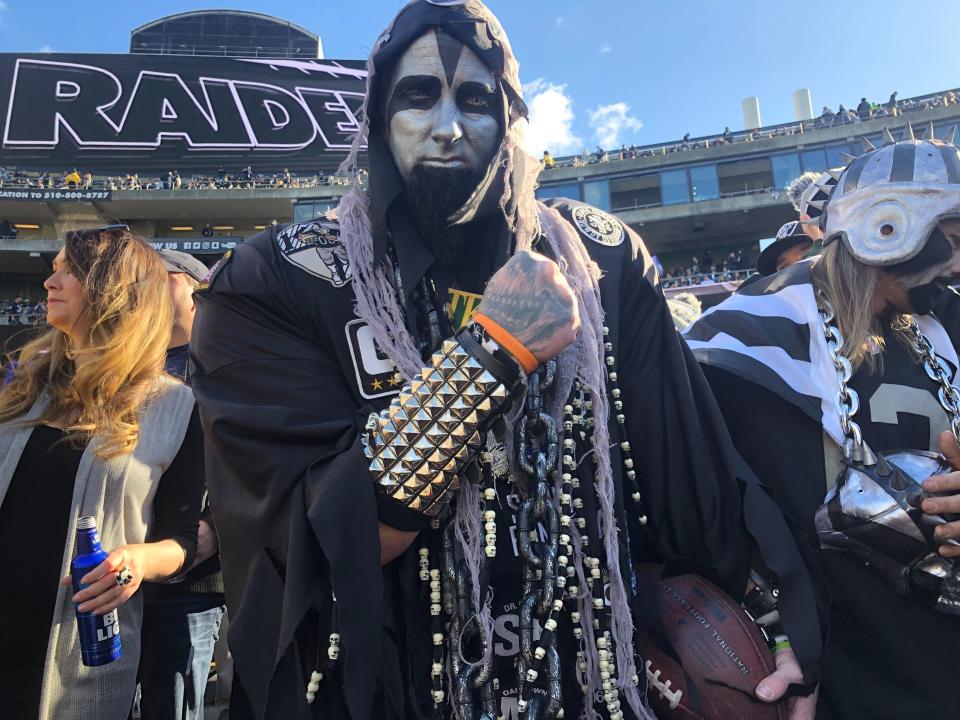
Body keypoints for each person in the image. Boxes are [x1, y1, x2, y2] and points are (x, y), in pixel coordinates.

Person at [190, 3, 822, 719]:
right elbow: (335, 544)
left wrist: (773, 634)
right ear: (375, 116)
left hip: (586, 689)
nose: (448, 126)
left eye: (477, 99)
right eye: (418, 95)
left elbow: (695, 485)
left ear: (511, 118)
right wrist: (493, 351)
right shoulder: (281, 277)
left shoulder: (601, 261)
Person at [685, 128, 960, 719]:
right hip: (843, 671)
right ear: (888, 226)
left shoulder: (945, 327)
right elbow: (705, 506)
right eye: (955, 240)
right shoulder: (744, 336)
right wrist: (771, 631)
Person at [0, 226, 204, 720]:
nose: (50, 283)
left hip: (76, 649)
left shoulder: (175, 406)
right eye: (52, 271)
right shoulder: (24, 387)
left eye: (68, 271)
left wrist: (136, 560)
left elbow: (183, 537)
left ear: (115, 289)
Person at [138, 249, 225, 720]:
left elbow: (253, 464)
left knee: (171, 707)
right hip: (125, 571)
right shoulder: (128, 364)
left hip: (192, 580)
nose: (144, 286)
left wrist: (215, 529)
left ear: (195, 292)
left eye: (160, 276)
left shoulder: (230, 361)